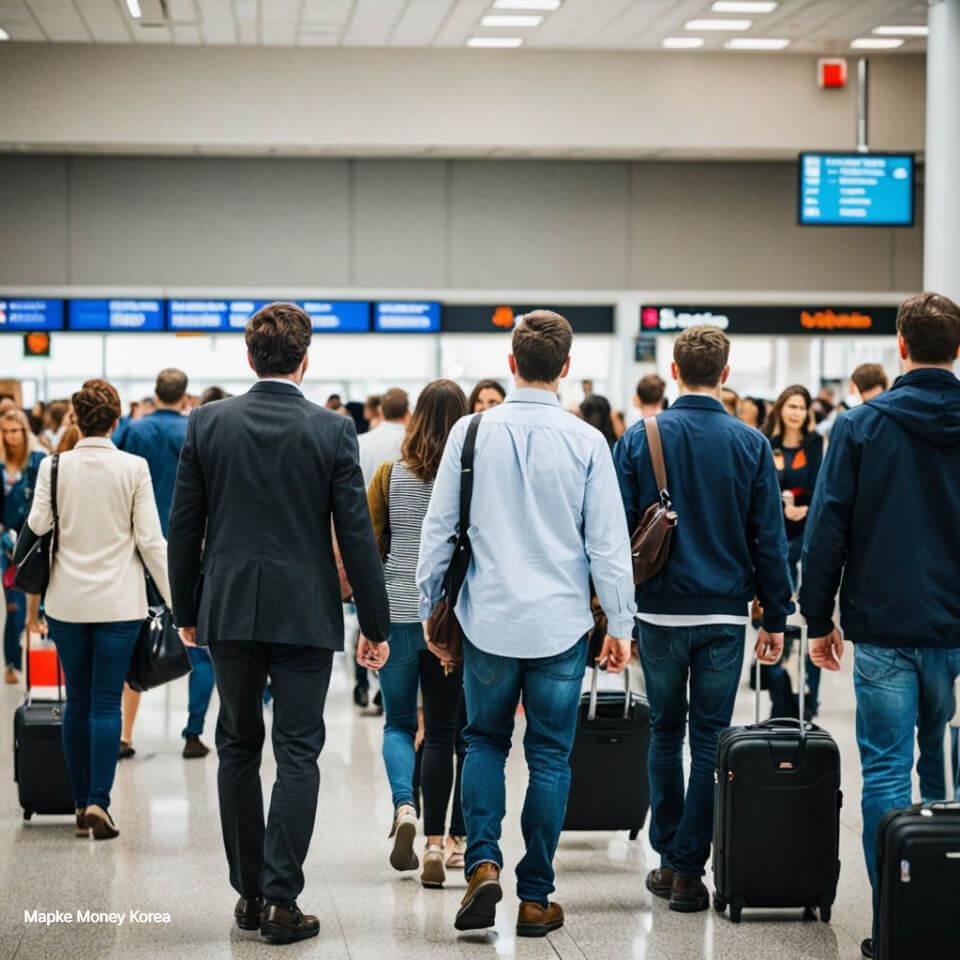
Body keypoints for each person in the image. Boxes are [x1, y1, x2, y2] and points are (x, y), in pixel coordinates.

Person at [167, 301, 390, 944]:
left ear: (248, 357)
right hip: (304, 613)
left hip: (230, 609)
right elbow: (355, 535)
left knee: (236, 745)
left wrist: (188, 611)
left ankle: (249, 893)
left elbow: (185, 527)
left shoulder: (207, 423)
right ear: (305, 359)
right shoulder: (331, 429)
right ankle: (282, 900)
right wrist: (373, 623)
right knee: (298, 751)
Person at [418, 310, 636, 938]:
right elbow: (608, 547)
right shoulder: (587, 441)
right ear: (565, 369)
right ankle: (536, 896)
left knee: (483, 740)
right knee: (550, 755)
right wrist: (618, 625)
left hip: (488, 620)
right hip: (561, 626)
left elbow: (440, 534)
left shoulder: (470, 431)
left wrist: (432, 606)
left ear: (512, 364)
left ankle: (483, 862)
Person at [800, 292, 960, 960]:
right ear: (956, 349)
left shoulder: (862, 425)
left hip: (885, 625)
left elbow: (828, 523)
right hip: (954, 628)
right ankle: (947, 903)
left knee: (888, 775)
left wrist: (817, 616)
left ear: (901, 346)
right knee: (943, 769)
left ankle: (896, 918)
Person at [613, 325, 792, 914]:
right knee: (711, 737)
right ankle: (691, 867)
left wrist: (613, 614)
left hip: (659, 612)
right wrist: (776, 616)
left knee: (664, 730)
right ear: (727, 372)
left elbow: (615, 533)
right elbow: (769, 538)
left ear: (673, 367)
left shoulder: (642, 437)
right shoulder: (750, 443)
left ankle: (667, 857)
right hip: (724, 613)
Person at [21, 379, 171, 841]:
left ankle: (77, 799)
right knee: (107, 701)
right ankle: (97, 802)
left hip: (67, 601)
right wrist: (178, 603)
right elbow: (150, 541)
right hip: (119, 602)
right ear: (115, 419)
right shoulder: (133, 467)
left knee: (78, 703)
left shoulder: (54, 466)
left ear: (75, 419)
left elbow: (38, 524)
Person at [363, 379, 469, 889]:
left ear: (415, 419)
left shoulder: (389, 475)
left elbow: (371, 547)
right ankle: (436, 841)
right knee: (445, 731)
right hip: (449, 619)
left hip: (396, 613)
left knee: (399, 725)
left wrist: (368, 620)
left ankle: (404, 806)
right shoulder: (469, 479)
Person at [120, 367, 212, 760]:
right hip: (193, 550)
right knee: (201, 646)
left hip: (140, 548)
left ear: (156, 394)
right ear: (184, 396)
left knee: (132, 635)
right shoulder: (197, 430)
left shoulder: (134, 431)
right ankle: (193, 733)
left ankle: (124, 734)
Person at [1, 409, 47, 684]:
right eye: (5, 431)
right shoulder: (1, 464)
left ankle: (42, 661)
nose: (10, 437)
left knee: (40, 605)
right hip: (6, 544)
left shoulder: (37, 461)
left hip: (34, 542)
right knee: (13, 605)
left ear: (24, 431)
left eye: (15, 430)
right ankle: (12, 662)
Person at [358, 388, 410, 487]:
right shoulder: (409, 443)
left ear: (381, 410)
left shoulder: (360, 441)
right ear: (407, 411)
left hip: (363, 500)